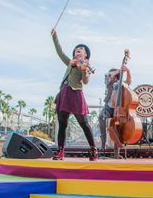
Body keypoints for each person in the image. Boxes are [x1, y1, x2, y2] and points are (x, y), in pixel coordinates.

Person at [51, 28, 98, 161]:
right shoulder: (70, 62)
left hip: (76, 93)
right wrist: (55, 36)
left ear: (86, 56)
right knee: (62, 124)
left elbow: (85, 81)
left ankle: (93, 150)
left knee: (84, 123)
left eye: (81, 49)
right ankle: (60, 151)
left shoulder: (85, 66)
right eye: (77, 48)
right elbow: (60, 52)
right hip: (64, 92)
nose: (78, 49)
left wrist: (83, 70)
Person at [98, 66, 131, 159]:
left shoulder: (121, 84)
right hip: (108, 107)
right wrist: (117, 71)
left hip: (118, 109)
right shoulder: (109, 82)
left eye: (112, 74)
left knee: (117, 128)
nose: (109, 76)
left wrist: (128, 71)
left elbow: (128, 81)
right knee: (101, 117)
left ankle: (116, 152)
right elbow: (109, 76)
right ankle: (102, 148)